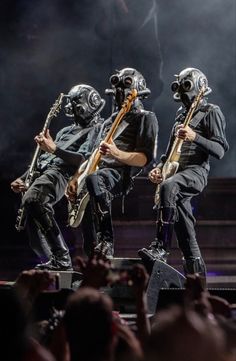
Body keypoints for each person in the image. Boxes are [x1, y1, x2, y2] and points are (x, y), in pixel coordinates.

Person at [138, 67, 229, 278]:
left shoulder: (211, 112)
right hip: (175, 174)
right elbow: (170, 152)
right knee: (186, 233)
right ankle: (198, 285)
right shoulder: (181, 115)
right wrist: (159, 168)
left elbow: (220, 150)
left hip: (195, 172)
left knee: (170, 186)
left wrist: (194, 137)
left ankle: (160, 246)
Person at [11, 84, 105, 271]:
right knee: (33, 225)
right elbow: (43, 159)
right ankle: (54, 264)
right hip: (44, 173)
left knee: (34, 199)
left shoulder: (98, 129)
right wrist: (23, 178)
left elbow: (83, 159)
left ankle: (61, 257)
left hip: (64, 173)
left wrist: (54, 148)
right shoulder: (65, 131)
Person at [67, 68, 159, 258]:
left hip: (118, 174)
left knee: (95, 179)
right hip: (95, 174)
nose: (119, 96)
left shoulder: (145, 117)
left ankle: (107, 239)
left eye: (124, 90)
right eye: (116, 92)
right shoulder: (107, 122)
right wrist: (76, 177)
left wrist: (117, 153)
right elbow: (92, 155)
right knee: (87, 223)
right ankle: (92, 265)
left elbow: (144, 159)